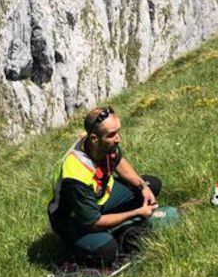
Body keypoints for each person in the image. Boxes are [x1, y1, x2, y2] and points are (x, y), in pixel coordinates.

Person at [47, 106, 163, 265]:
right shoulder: (75, 173)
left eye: (118, 131)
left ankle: (117, 225)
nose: (118, 139)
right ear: (95, 138)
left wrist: (143, 187)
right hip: (77, 220)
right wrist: (137, 212)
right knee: (107, 251)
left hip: (102, 198)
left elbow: (119, 163)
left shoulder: (104, 144)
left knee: (153, 184)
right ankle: (79, 244)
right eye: (112, 135)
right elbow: (94, 222)